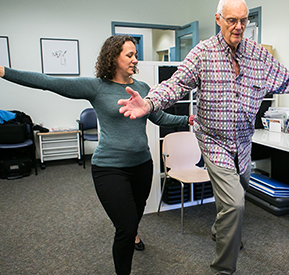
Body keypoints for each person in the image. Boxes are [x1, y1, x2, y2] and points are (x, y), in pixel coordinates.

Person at [118, 0, 289, 273]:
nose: (238, 27)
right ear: (218, 19)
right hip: (213, 139)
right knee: (235, 204)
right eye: (232, 20)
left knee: (238, 194)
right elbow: (175, 85)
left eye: (244, 21)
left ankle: (220, 230)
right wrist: (150, 103)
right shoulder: (203, 54)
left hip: (244, 142)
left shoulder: (259, 56)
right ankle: (223, 268)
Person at [0, 34, 193, 275]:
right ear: (113, 57)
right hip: (109, 168)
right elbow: (48, 82)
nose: (135, 60)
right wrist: (3, 71)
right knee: (124, 226)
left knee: (136, 212)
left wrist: (188, 119)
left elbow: (159, 117)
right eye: (129, 55)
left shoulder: (142, 87)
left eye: (135, 55)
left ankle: (134, 233)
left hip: (142, 164)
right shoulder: (97, 87)